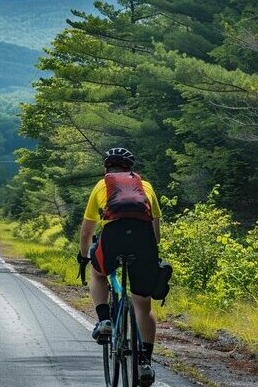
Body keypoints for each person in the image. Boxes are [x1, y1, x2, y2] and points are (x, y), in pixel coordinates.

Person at [77, 148, 162, 387]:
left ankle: (104, 320)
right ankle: (145, 362)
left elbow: (87, 230)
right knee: (143, 304)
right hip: (143, 240)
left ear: (107, 169)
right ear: (131, 169)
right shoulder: (146, 186)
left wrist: (84, 256)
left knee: (98, 272)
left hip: (113, 238)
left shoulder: (100, 186)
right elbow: (156, 235)